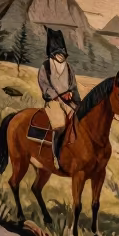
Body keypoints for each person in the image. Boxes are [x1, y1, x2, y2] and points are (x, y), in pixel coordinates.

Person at [37, 28, 81, 169]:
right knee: (60, 125)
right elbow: (44, 85)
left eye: (63, 53)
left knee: (78, 121)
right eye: (58, 53)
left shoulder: (69, 68)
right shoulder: (46, 66)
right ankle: (55, 156)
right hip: (53, 101)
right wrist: (58, 96)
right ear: (53, 52)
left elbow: (73, 87)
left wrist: (74, 98)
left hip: (68, 101)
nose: (61, 55)